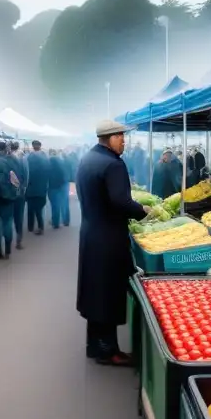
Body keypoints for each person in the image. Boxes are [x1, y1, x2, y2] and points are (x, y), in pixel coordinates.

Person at [77, 121, 149, 366]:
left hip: (91, 234)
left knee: (95, 292)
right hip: (109, 238)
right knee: (108, 293)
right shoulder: (113, 164)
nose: (124, 141)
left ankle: (94, 345)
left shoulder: (88, 159)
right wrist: (142, 210)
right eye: (120, 136)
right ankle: (109, 351)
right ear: (108, 138)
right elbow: (120, 201)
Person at [0, 142, 23, 259]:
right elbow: (19, 178)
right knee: (8, 222)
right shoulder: (14, 161)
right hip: (10, 196)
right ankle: (8, 250)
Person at [25, 140, 50, 235]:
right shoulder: (45, 158)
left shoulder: (29, 157)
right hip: (42, 188)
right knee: (39, 209)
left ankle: (30, 227)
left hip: (31, 188)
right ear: (40, 146)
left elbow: (26, 173)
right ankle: (40, 227)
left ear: (33, 146)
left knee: (30, 209)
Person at [11, 140, 27, 249]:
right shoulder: (23, 158)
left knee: (8, 217)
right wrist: (24, 187)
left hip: (9, 191)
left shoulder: (7, 158)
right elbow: (26, 174)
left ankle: (7, 241)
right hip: (20, 191)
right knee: (19, 217)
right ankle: (18, 240)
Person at [47, 149, 69, 229]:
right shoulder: (62, 161)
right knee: (65, 204)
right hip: (64, 184)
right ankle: (66, 221)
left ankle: (55, 223)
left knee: (55, 205)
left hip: (54, 186)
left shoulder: (49, 162)